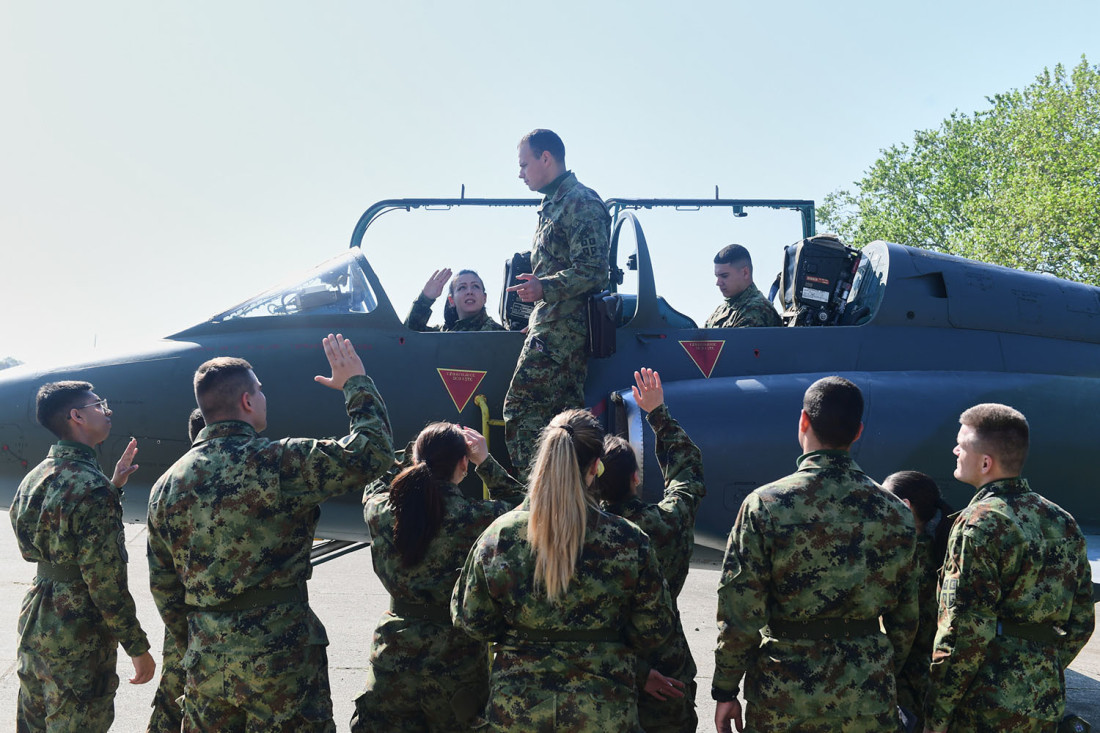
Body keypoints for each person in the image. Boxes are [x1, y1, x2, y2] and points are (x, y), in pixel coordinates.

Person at [147, 333, 394, 732]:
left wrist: (201, 639)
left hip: (206, 660)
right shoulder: (278, 461)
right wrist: (355, 383)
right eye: (259, 391)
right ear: (246, 401)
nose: (263, 397)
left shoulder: (165, 486)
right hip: (281, 659)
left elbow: (164, 586)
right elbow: (373, 451)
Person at [713, 376, 919, 733]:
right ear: (858, 433)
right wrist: (876, 668)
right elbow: (906, 618)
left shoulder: (766, 505)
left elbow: (740, 610)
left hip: (785, 696)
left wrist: (725, 688)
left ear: (803, 421)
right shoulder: (896, 512)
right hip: (867, 694)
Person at [452, 408, 675, 732]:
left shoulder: (500, 536)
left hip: (519, 713)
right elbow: (654, 630)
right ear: (595, 467)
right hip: (603, 713)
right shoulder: (629, 541)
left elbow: (471, 620)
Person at [923, 404, 1095, 733]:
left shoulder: (979, 522)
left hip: (984, 706)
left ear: (986, 463)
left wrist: (937, 713)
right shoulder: (1063, 521)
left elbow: (964, 631)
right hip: (1043, 700)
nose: (955, 450)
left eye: (962, 444)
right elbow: (1083, 621)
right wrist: (1039, 669)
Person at [350, 422, 525, 732]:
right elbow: (526, 510)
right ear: (463, 463)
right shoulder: (479, 517)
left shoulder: (381, 511)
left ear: (417, 460)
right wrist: (486, 463)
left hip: (395, 654)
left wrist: (412, 457)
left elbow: (376, 480)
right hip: (456, 658)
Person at [10, 381, 155, 732]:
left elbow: (43, 535)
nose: (108, 411)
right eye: (99, 405)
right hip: (79, 631)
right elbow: (105, 583)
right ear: (76, 416)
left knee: (36, 719)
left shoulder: (34, 477)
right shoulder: (92, 487)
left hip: (38, 617)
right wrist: (137, 646)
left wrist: (113, 486)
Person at [594, 368, 706, 733]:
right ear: (636, 478)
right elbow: (688, 476)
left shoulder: (581, 535)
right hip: (665, 661)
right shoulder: (667, 524)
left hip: (601, 667)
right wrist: (657, 413)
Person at [503, 128, 611, 477]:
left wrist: (543, 289)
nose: (520, 173)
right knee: (561, 422)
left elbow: (594, 271)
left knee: (521, 410)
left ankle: (534, 501)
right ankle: (564, 497)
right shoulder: (553, 204)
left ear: (545, 158)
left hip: (564, 333)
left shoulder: (581, 202)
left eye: (524, 164)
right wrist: (537, 312)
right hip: (551, 325)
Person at [146, 407, 205, 733]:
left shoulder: (171, 486)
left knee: (174, 696)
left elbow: (161, 577)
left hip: (185, 618)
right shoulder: (259, 472)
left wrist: (182, 634)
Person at [883, 471, 954, 733]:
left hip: (910, 677)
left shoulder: (908, 554)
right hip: (944, 674)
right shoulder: (951, 544)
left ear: (904, 506)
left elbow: (905, 629)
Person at [704, 244, 782, 328]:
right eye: (717, 276)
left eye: (724, 276)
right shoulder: (721, 310)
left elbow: (739, 340)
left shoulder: (756, 309)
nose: (718, 283)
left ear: (745, 273)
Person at [405, 268, 506, 332]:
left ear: (484, 298)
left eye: (475, 286)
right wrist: (425, 299)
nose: (469, 292)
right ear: (451, 300)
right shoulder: (442, 334)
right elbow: (407, 336)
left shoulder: (499, 334)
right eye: (462, 288)